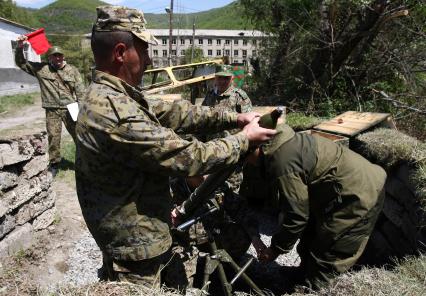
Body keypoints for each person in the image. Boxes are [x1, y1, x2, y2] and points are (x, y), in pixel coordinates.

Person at [75, 5, 275, 291]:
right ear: (120, 53)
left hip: (149, 237)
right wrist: (246, 138)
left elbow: (178, 113)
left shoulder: (118, 96)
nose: (148, 58)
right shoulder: (114, 112)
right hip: (136, 252)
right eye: (143, 50)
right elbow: (189, 157)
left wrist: (235, 117)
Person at [246, 124, 386, 290]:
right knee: (309, 238)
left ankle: (315, 289)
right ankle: (302, 276)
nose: (247, 162)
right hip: (339, 192)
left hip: (359, 195)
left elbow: (296, 216)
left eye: (245, 156)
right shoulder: (281, 143)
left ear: (256, 147)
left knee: (329, 255)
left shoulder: (282, 163)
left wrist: (276, 249)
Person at [15, 39, 85, 174]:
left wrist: (81, 109)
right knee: (53, 137)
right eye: (54, 55)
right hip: (52, 109)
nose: (57, 58)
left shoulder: (73, 70)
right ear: (50, 57)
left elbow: (80, 91)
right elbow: (21, 63)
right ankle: (54, 164)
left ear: (63, 56)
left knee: (79, 135)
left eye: (60, 55)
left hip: (71, 108)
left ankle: (84, 161)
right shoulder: (41, 69)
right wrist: (20, 48)